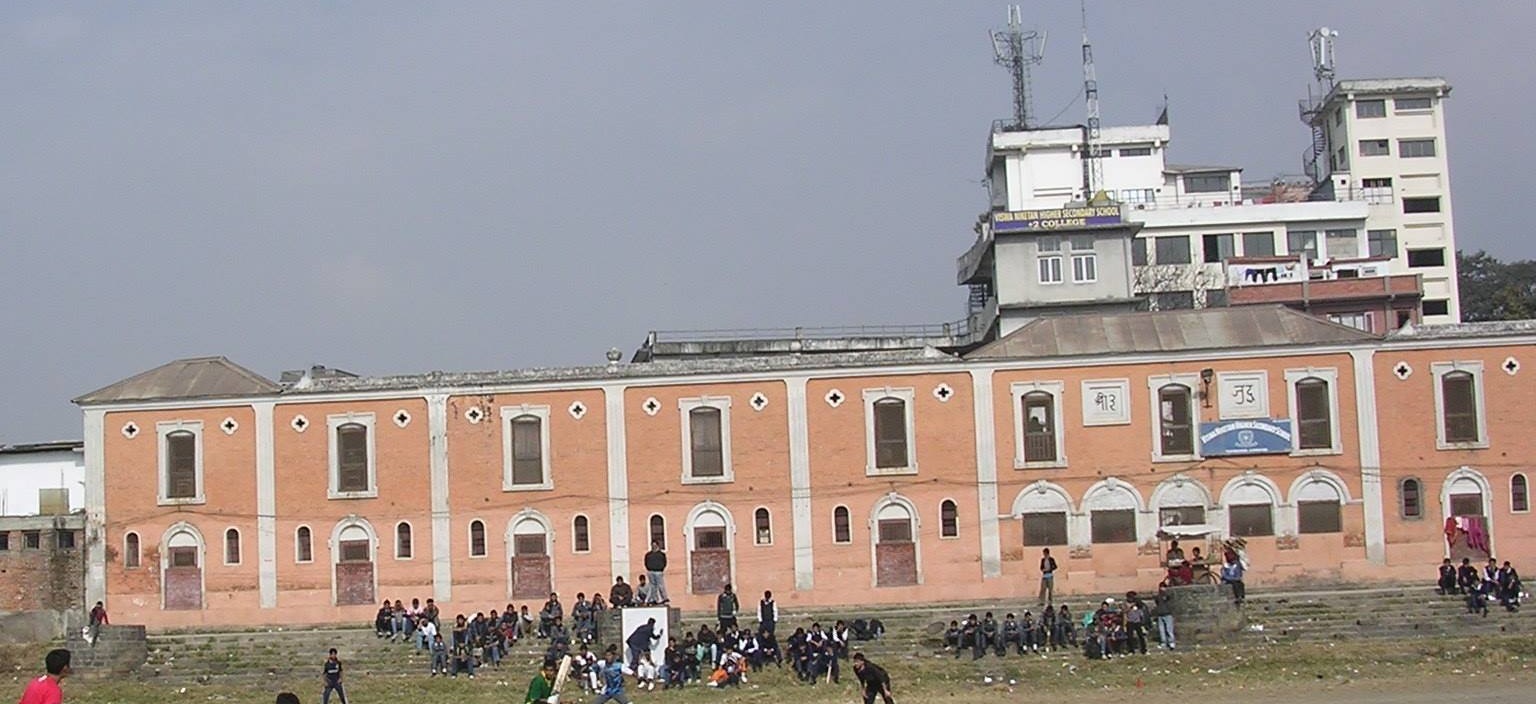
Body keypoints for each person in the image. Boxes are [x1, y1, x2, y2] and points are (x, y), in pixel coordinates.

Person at [1152, 585, 1177, 649]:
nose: (1162, 588)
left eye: (1163, 587)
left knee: (1169, 629)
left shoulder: (1168, 594)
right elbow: (1156, 602)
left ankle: (1171, 642)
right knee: (1161, 630)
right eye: (1161, 587)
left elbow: (1170, 598)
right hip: (1160, 614)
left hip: (1168, 614)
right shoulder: (1158, 596)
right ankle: (1163, 642)